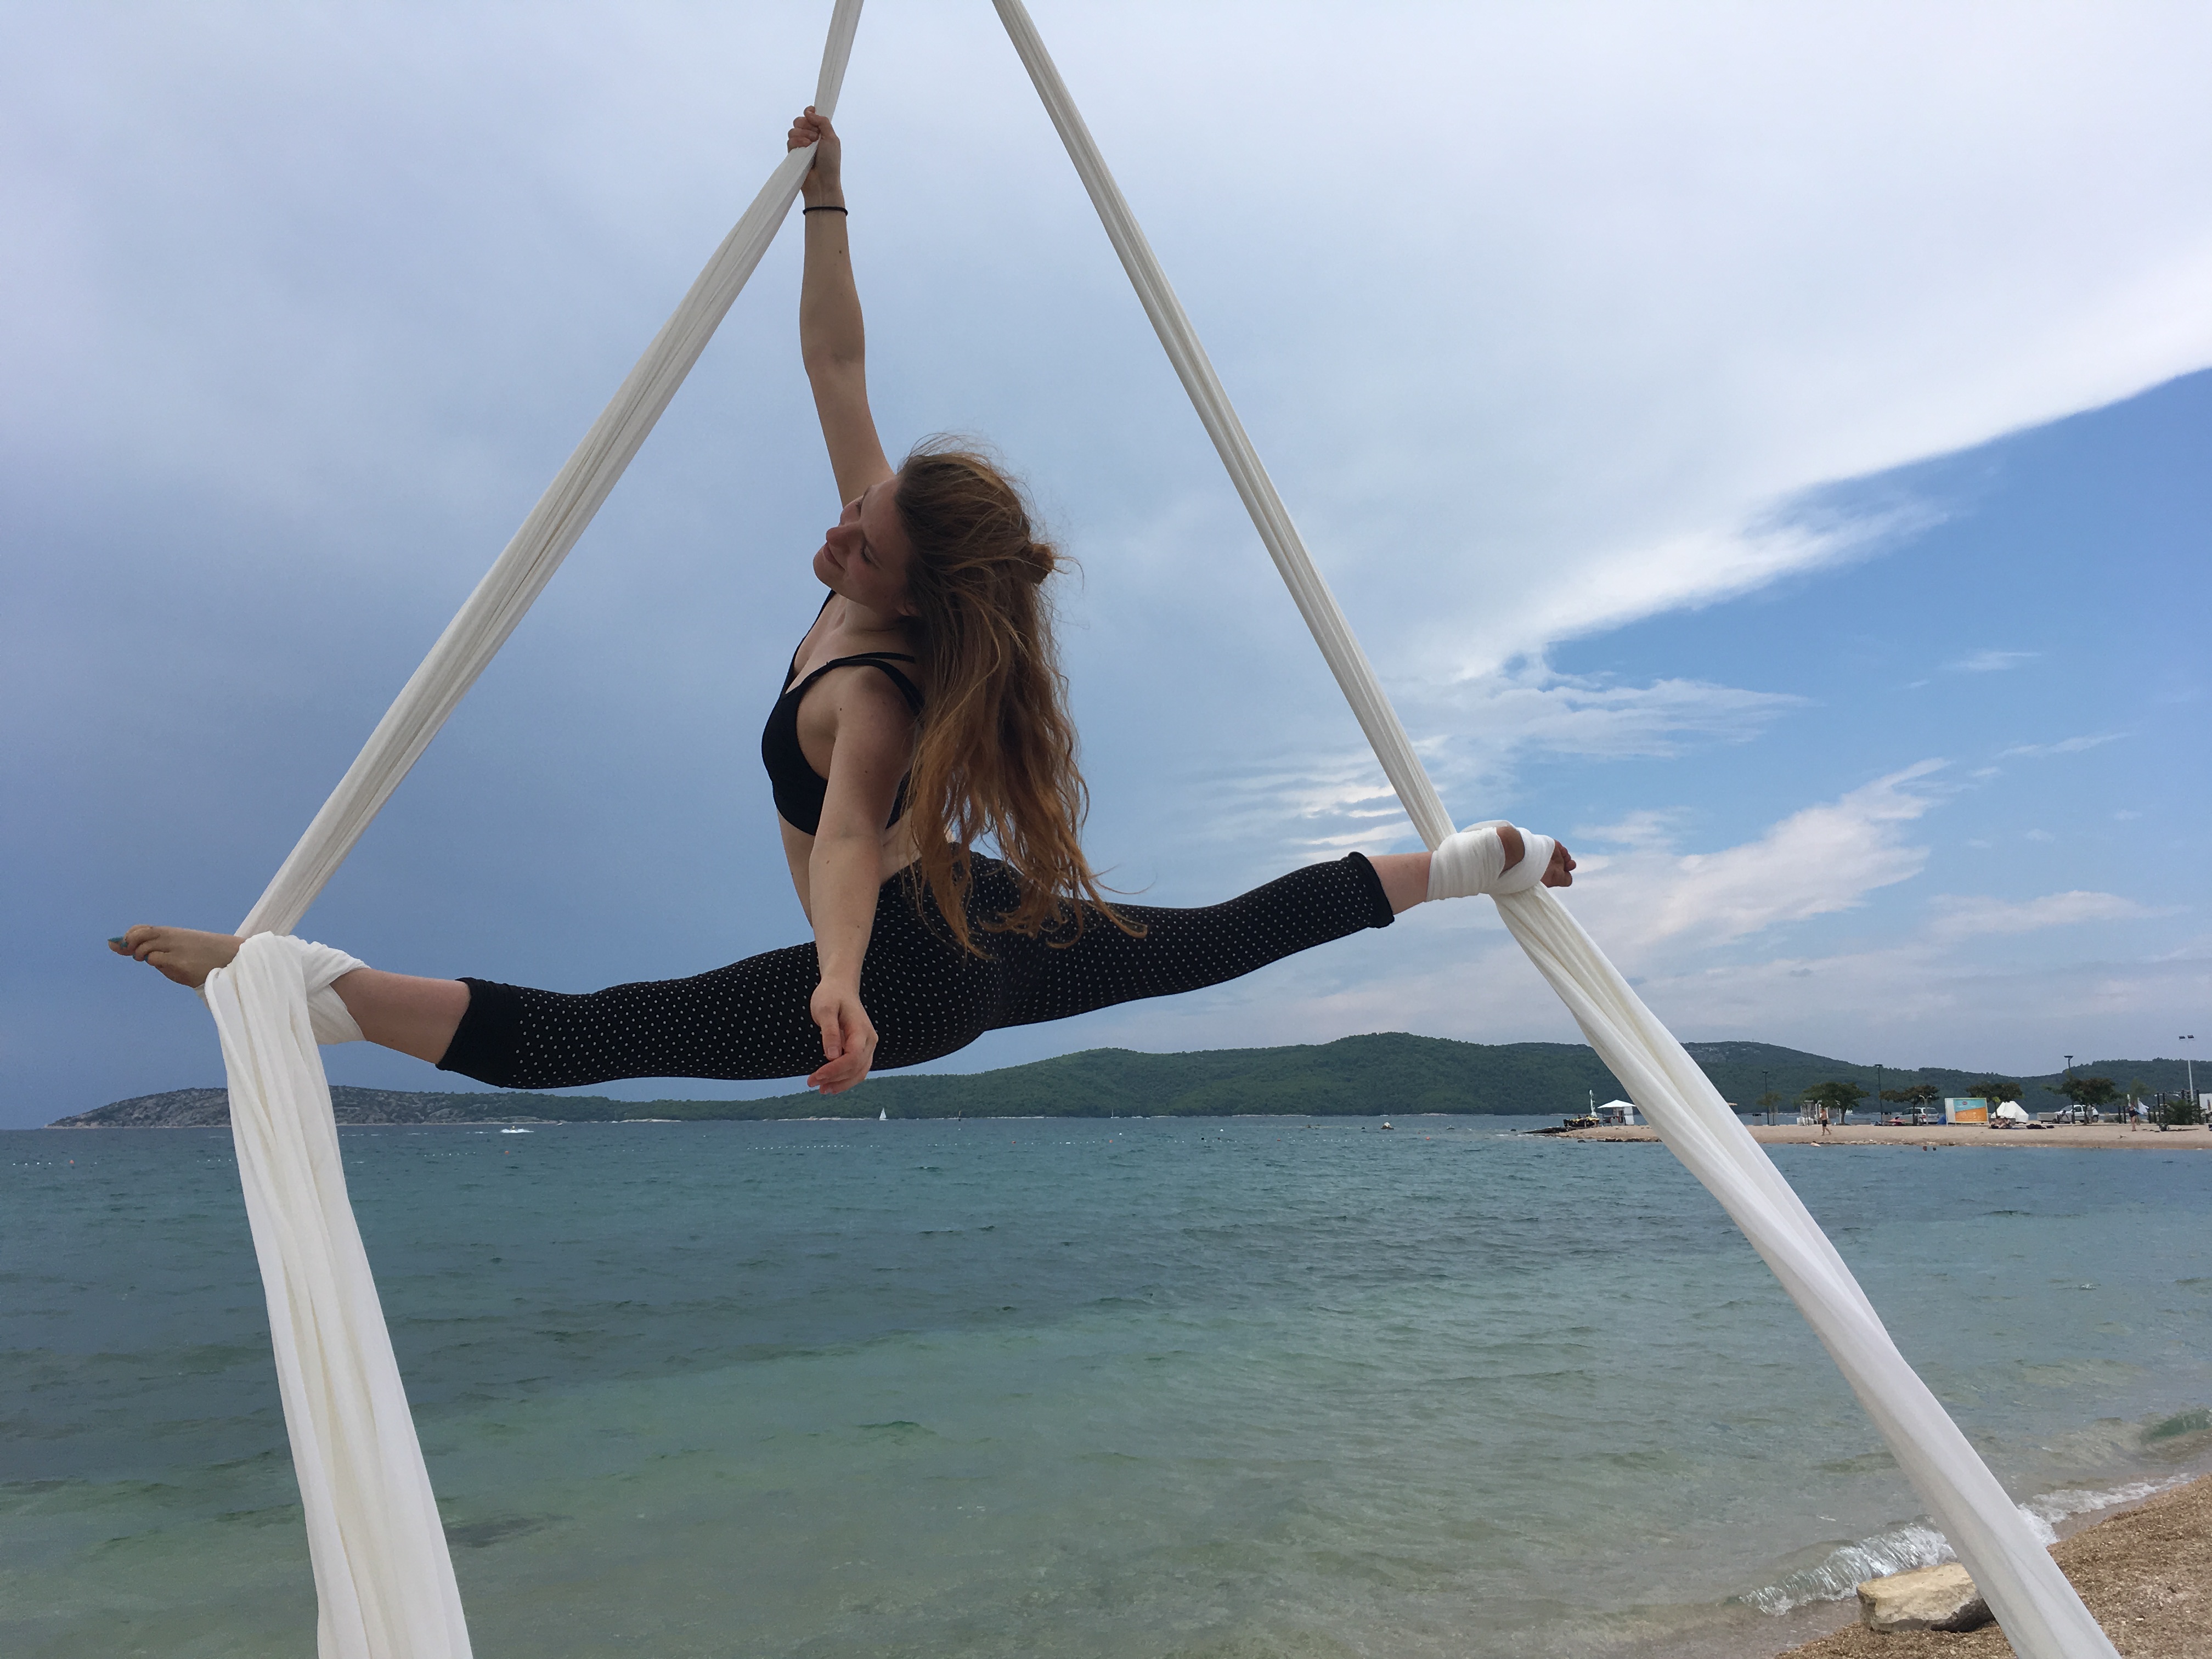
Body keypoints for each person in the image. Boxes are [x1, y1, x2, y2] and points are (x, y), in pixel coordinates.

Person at [112, 109, 1575, 1097]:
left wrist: (837, 983)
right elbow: (837, 369)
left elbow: (858, 834)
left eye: (860, 544)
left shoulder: (870, 697)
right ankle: (1471, 861)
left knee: (621, 1029)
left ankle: (302, 986)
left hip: (915, 965)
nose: (838, 531)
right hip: (969, 911)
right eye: (855, 511)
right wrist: (825, 195)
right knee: (1199, 940)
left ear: (913, 591)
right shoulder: (894, 569)